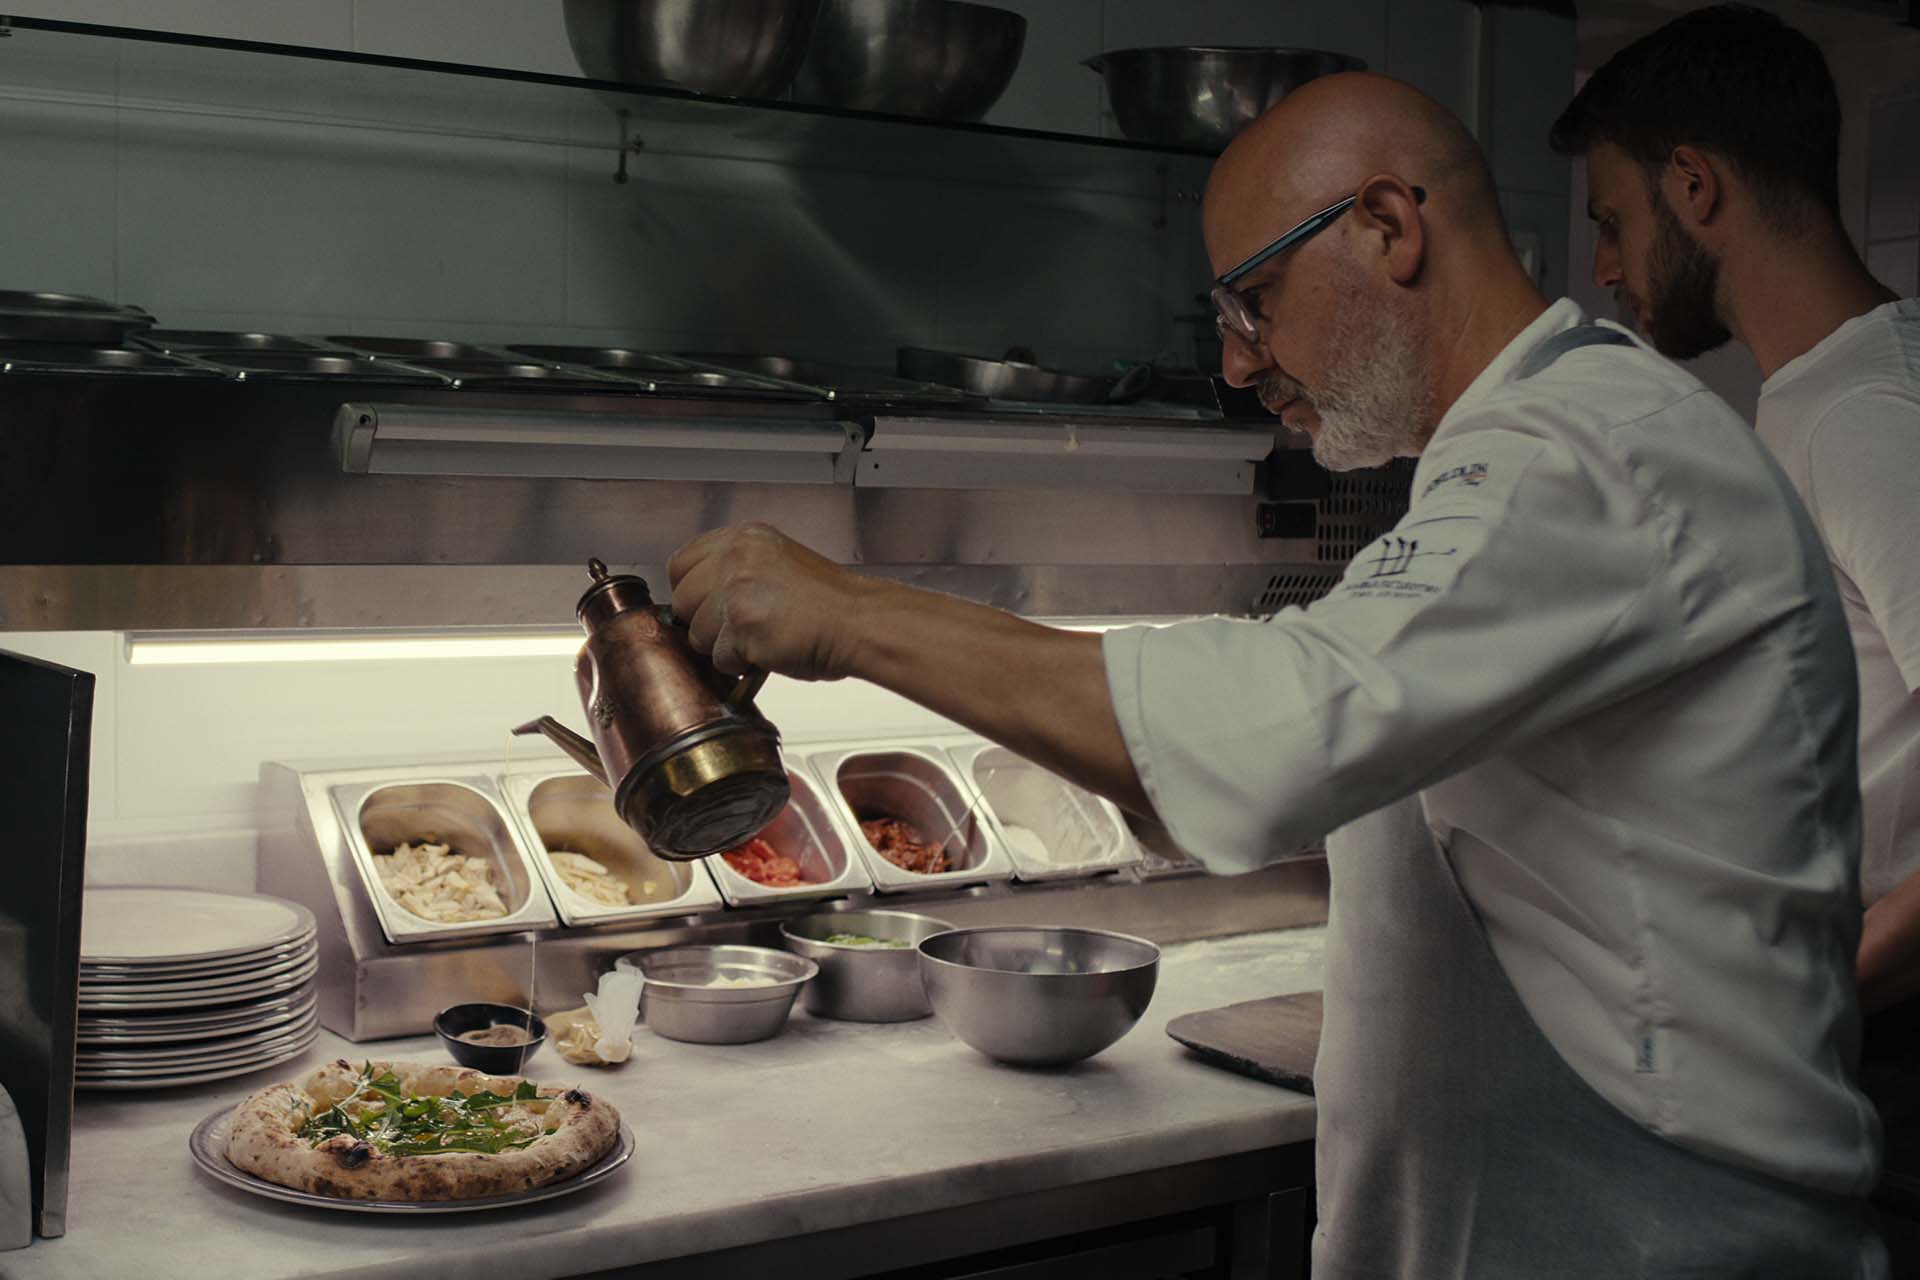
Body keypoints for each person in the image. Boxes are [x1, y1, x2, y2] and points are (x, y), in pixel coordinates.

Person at [669, 72, 1884, 1276]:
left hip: (1666, 1238)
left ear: (1389, 227)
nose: (1242, 364)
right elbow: (1282, 764)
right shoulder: (1509, 461)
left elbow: (1273, 735)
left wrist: (849, 613)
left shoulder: (1589, 453)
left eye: (1255, 300)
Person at [1550, 3, 1920, 1257]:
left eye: (1613, 220)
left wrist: (1799, 1011)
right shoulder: (1835, 393)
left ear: (1694, 185)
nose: (1606, 266)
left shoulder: (1867, 418)